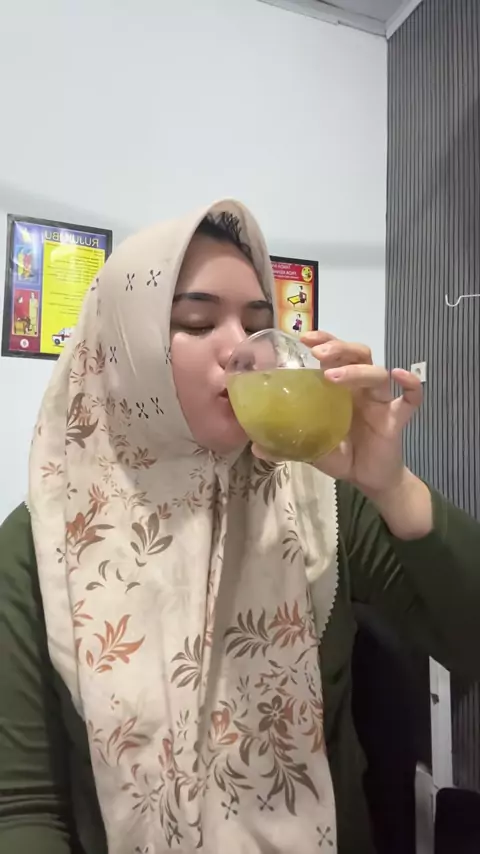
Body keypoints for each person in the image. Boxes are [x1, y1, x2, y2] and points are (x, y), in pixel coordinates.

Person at [0, 199, 479, 854]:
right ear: (124, 352)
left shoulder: (317, 499)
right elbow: (22, 807)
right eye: (198, 322)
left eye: (258, 325)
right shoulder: (44, 540)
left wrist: (392, 486)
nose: (241, 350)